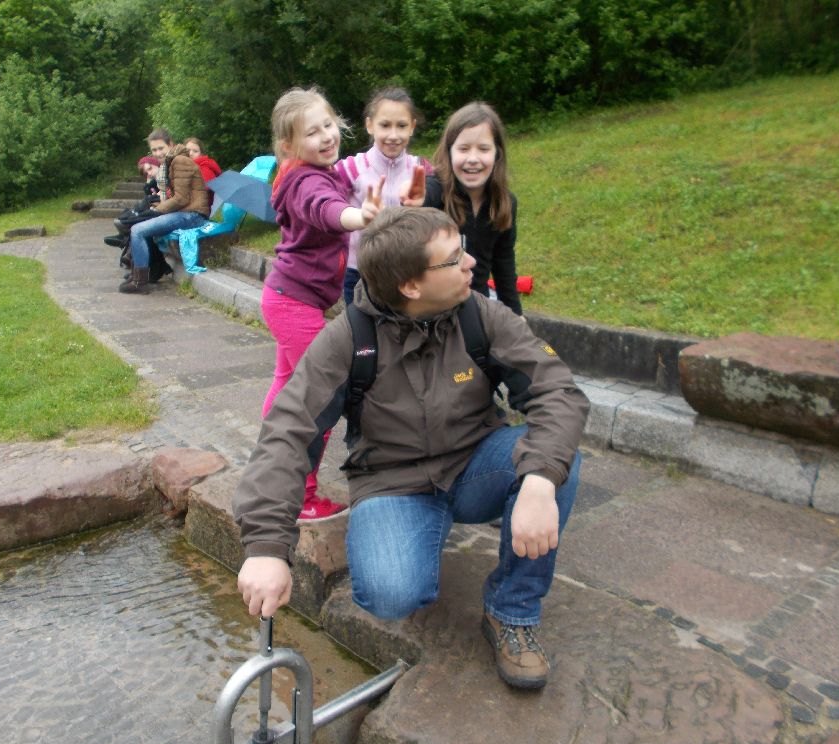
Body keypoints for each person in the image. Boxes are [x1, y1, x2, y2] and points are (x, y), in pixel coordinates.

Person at [234, 206, 588, 690]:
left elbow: (557, 392)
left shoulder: (480, 313)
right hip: (391, 481)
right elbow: (287, 434)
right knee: (389, 595)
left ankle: (512, 612)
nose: (470, 263)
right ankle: (414, 533)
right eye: (454, 258)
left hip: (476, 463)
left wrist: (540, 481)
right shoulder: (348, 339)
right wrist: (266, 547)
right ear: (411, 286)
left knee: (556, 458)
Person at [260, 86, 383, 520]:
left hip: (287, 298)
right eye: (312, 133)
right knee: (321, 397)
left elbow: (344, 182)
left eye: (328, 125)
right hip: (294, 304)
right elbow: (324, 208)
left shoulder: (317, 169)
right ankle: (300, 496)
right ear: (289, 145)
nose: (327, 136)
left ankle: (269, 467)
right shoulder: (306, 181)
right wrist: (357, 217)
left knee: (286, 390)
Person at [414, 102, 523, 315]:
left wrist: (516, 316)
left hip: (476, 306)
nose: (473, 159)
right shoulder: (435, 190)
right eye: (463, 149)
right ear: (449, 152)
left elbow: (504, 265)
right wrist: (415, 204)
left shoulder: (506, 203)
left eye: (483, 149)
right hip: (433, 309)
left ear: (497, 153)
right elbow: (423, 199)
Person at [334, 86, 431, 307]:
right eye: (385, 125)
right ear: (370, 125)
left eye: (402, 126)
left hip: (405, 271)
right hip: (358, 271)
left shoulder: (421, 169)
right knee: (361, 328)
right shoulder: (350, 168)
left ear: (412, 127)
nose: (393, 135)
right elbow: (325, 203)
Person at [119, 128, 210, 294]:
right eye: (154, 150)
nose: (158, 153)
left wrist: (157, 211)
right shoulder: (171, 162)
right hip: (185, 213)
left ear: (170, 144)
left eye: (161, 148)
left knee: (138, 230)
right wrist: (155, 208)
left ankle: (140, 281)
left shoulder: (180, 161)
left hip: (193, 215)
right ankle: (144, 273)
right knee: (139, 224)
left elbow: (181, 199)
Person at [184, 138, 223, 210]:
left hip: (199, 210)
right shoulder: (182, 167)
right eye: (188, 150)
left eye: (195, 151)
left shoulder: (205, 167)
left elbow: (205, 188)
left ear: (201, 154)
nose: (190, 153)